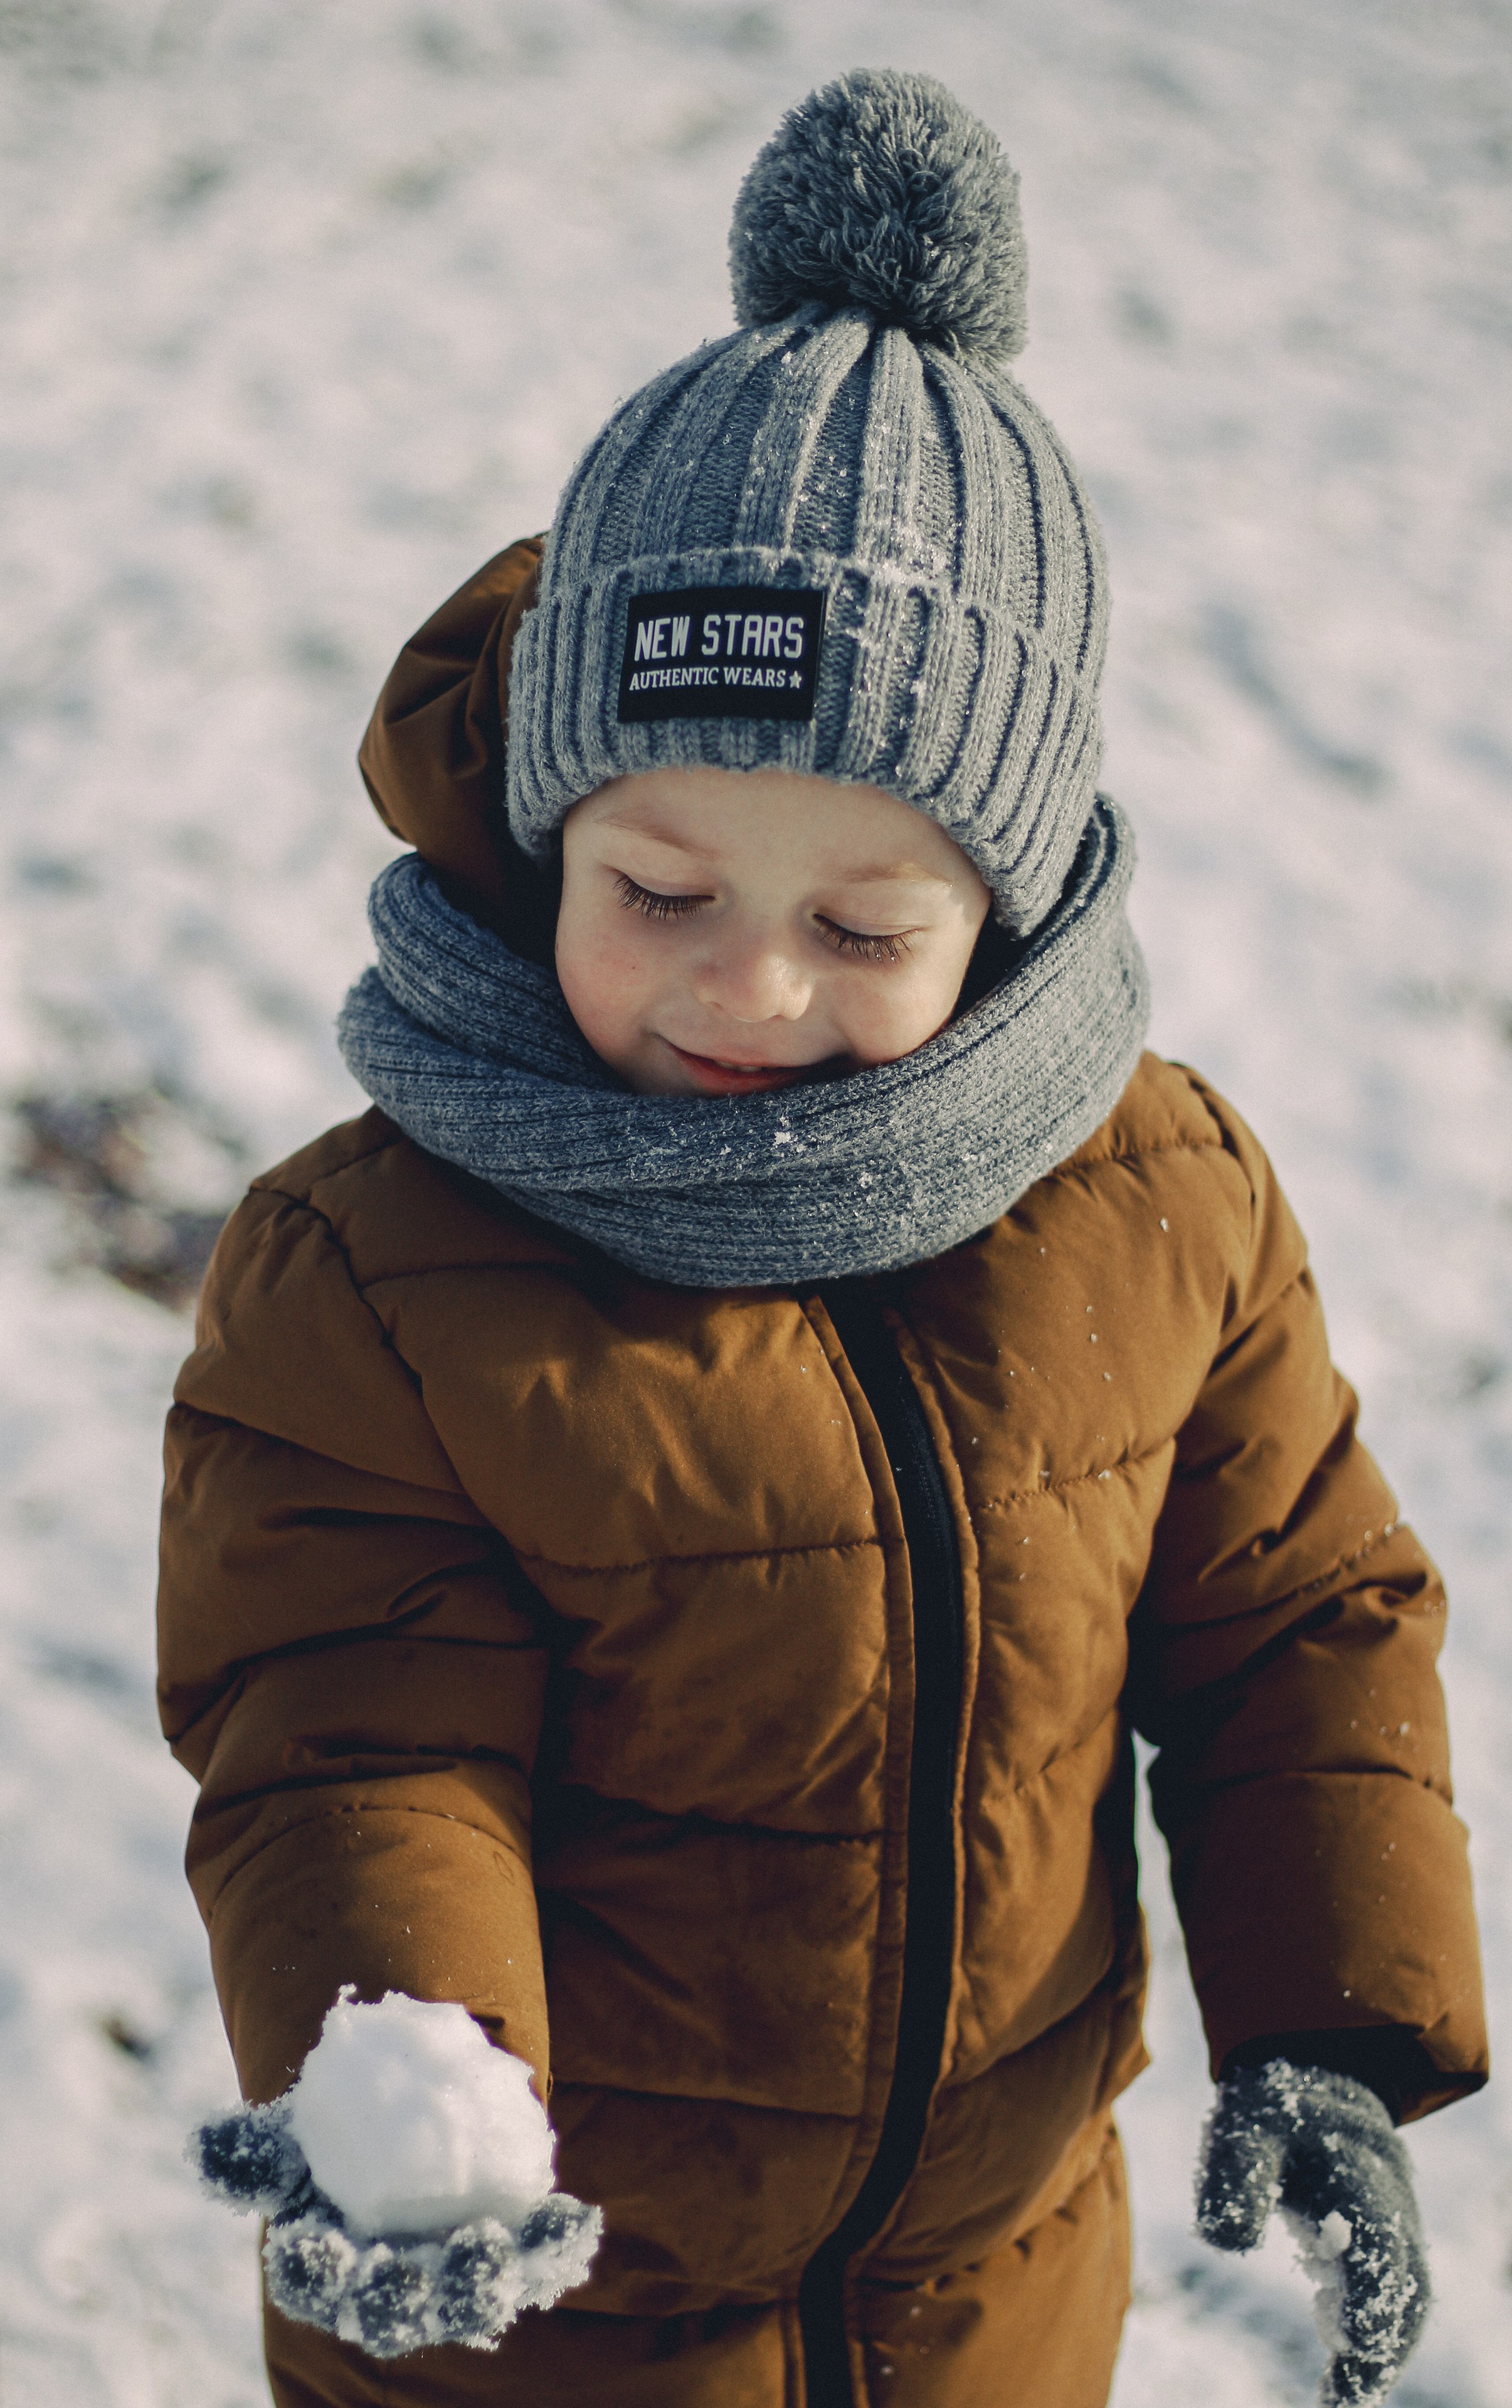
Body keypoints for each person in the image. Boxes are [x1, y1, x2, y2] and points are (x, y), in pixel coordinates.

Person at [158, 68, 1487, 2408]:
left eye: (865, 926)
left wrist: (1334, 2024)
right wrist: (408, 2103)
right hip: (551, 2309)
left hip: (997, 2286)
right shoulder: (376, 1278)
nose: (750, 991)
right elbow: (353, 1741)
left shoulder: (1157, 1199)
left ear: (1009, 911)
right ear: (545, 839)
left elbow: (1292, 1624)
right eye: (659, 891)